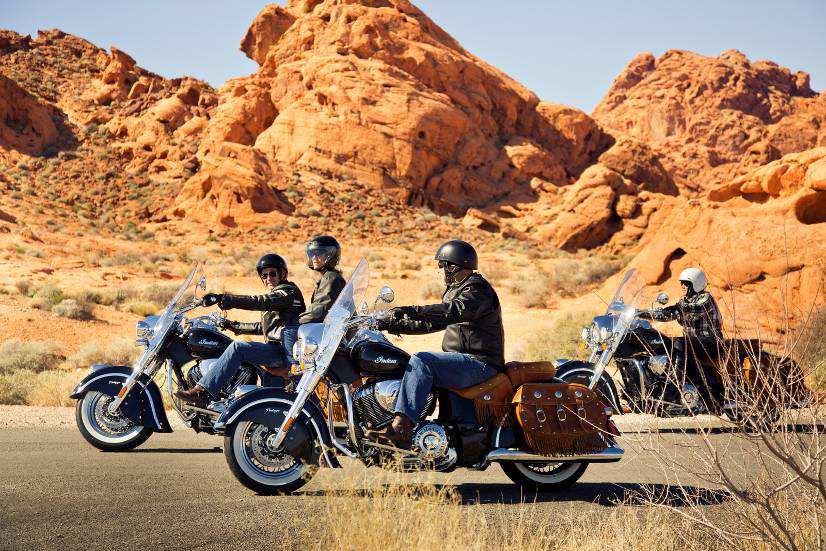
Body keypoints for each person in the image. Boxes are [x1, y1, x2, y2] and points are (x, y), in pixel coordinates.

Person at [375, 239, 504, 446]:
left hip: (480, 363)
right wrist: (388, 325)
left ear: (456, 267)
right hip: (465, 361)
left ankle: (402, 425)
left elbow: (454, 311)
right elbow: (430, 324)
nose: (443, 272)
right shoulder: (458, 289)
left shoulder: (477, 289)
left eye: (445, 267)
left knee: (422, 361)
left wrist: (414, 309)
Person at [174, 253, 305, 407]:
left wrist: (227, 299)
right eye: (264, 275)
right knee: (270, 402)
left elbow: (260, 301)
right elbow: (264, 327)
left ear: (282, 274)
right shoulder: (279, 297)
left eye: (273, 273)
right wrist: (234, 326)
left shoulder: (288, 291)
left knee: (238, 348)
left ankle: (202, 392)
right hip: (277, 349)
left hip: (285, 352)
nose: (268, 278)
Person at [638, 267, 724, 401]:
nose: (682, 286)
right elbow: (667, 314)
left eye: (686, 283)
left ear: (695, 283)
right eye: (681, 283)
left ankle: (674, 386)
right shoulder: (684, 302)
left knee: (679, 342)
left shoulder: (705, 299)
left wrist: (676, 308)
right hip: (695, 344)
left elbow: (695, 308)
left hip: (711, 343)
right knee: (666, 343)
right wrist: (641, 313)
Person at [298, 235, 346, 324]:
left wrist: (295, 322)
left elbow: (318, 311)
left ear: (330, 254)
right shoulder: (329, 277)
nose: (314, 258)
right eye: (312, 254)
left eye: (319, 253)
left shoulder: (331, 278)